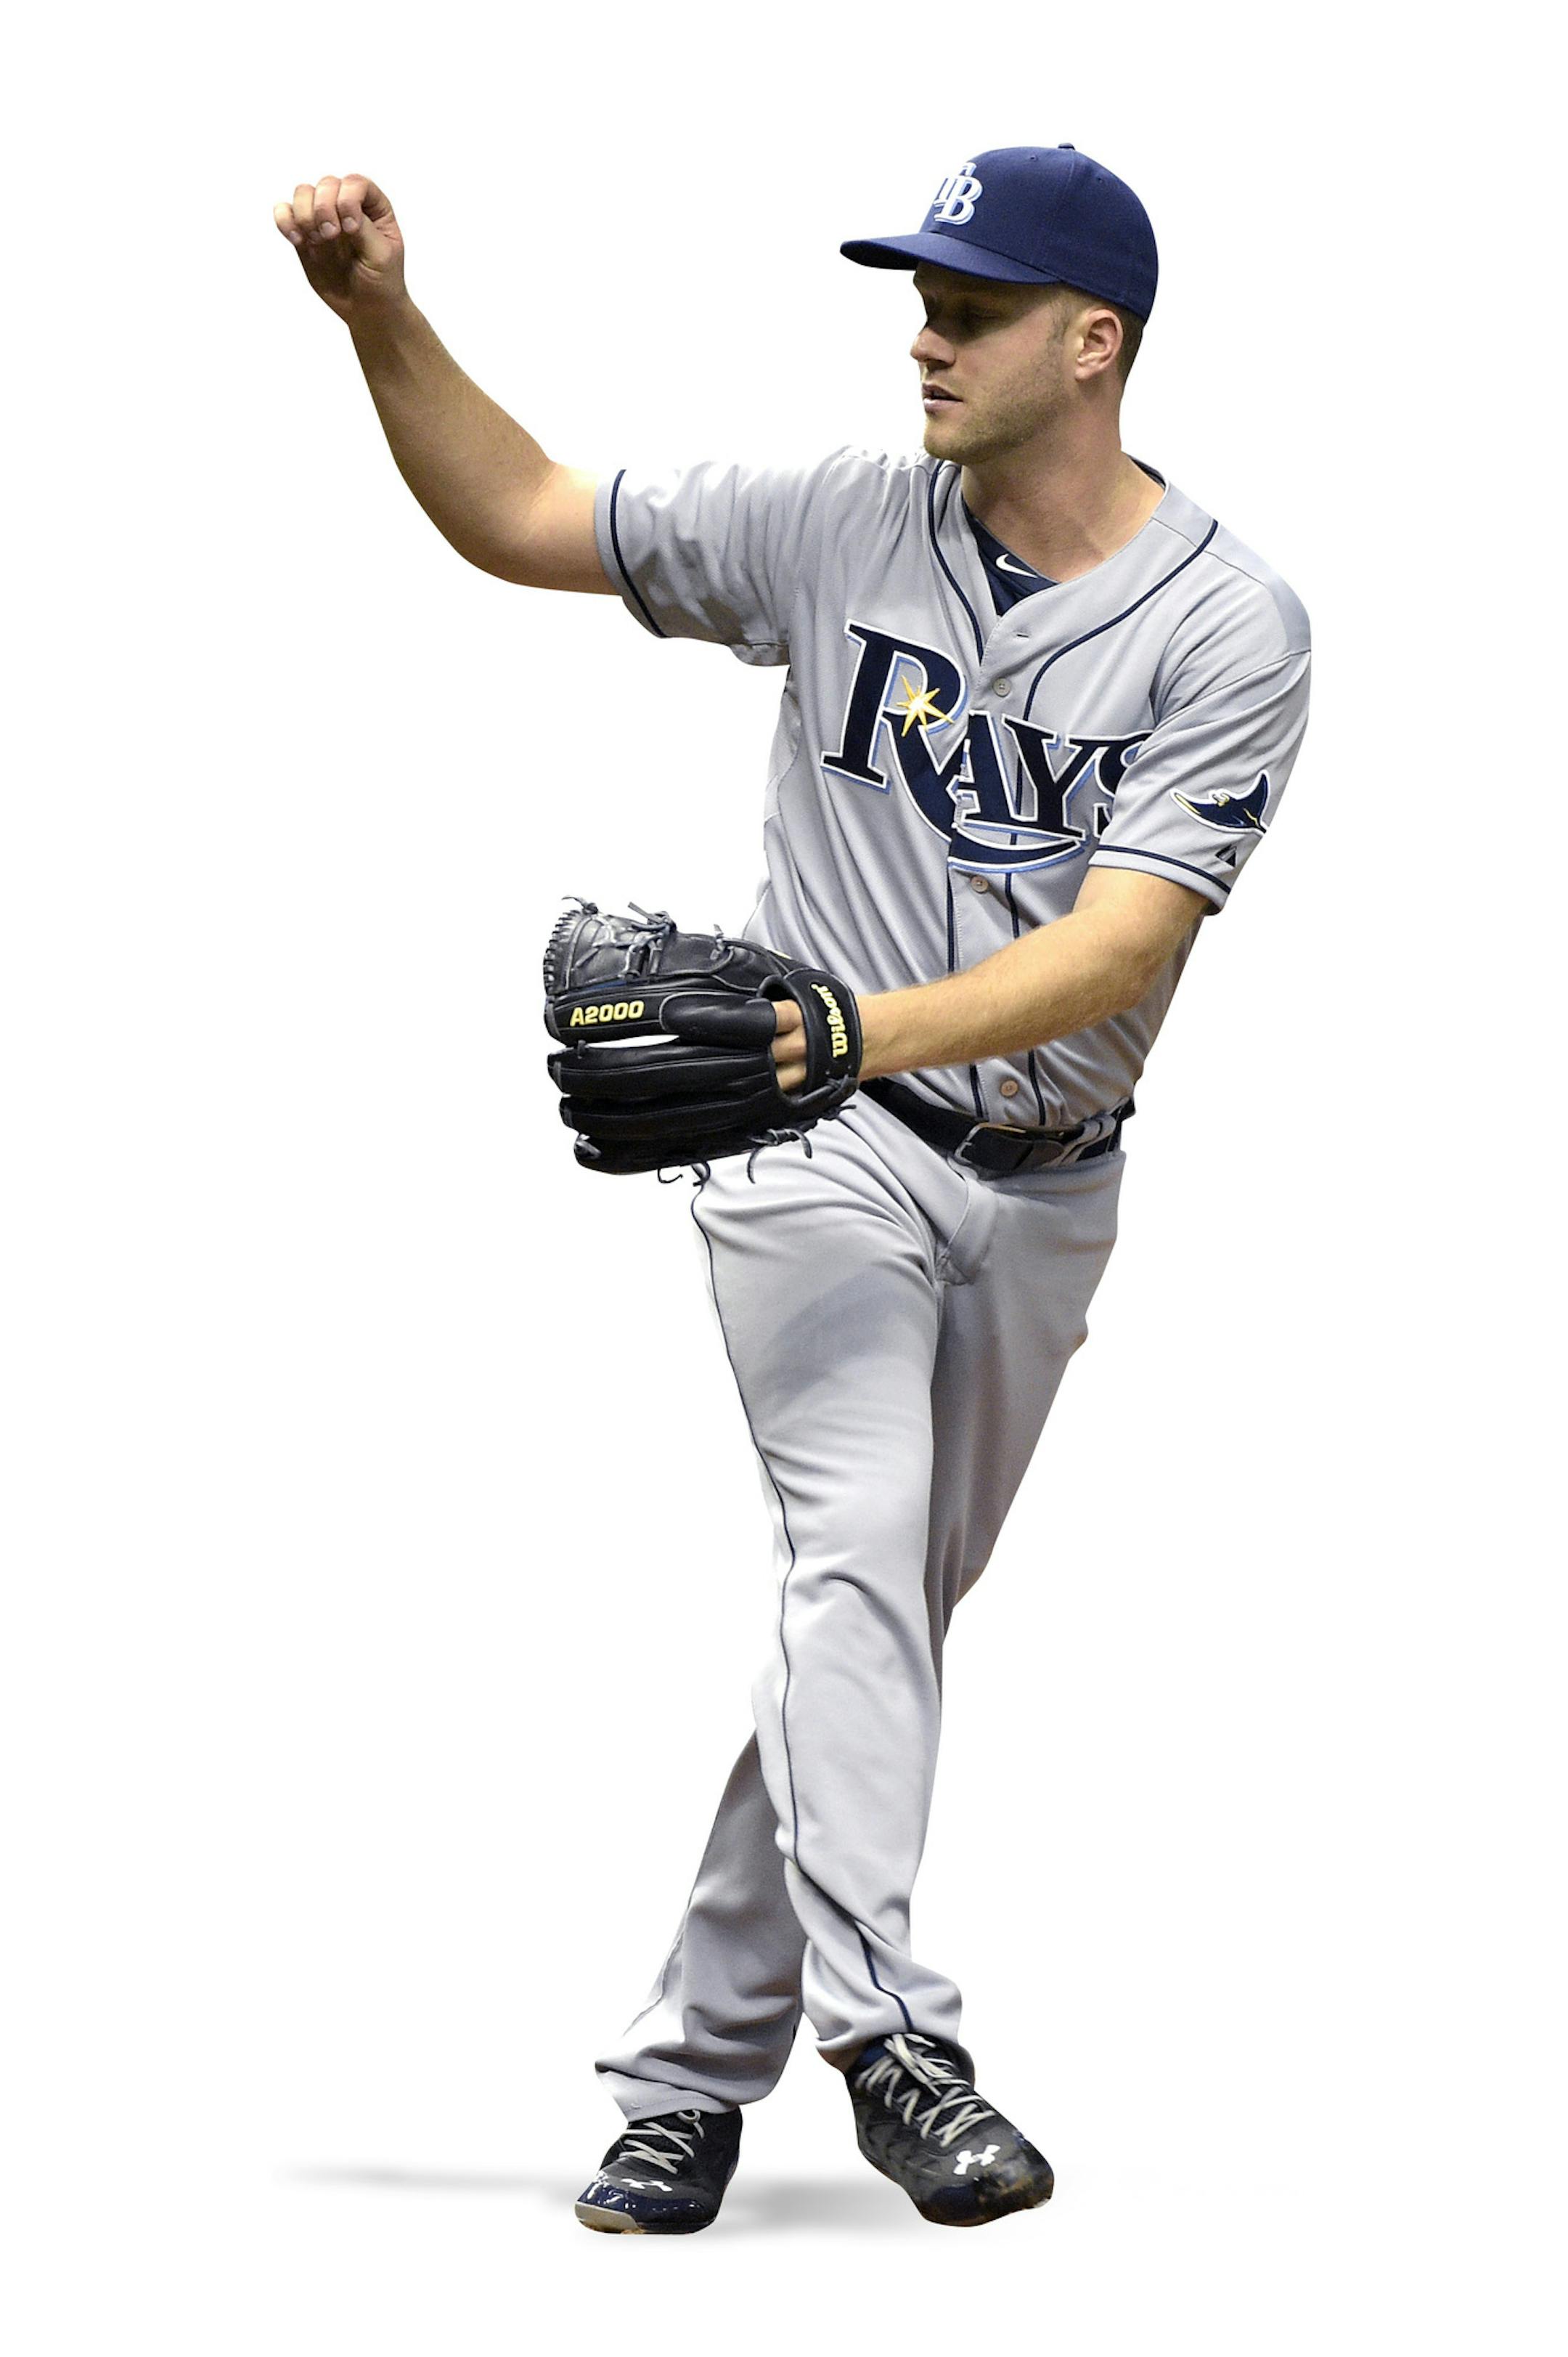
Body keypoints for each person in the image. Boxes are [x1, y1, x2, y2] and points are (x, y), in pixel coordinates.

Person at [274, 143, 1311, 2235]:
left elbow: (1122, 950)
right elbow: (524, 512)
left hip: (1043, 1181)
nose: (926, 336)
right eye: (921, 299)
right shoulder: (842, 519)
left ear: (1093, 342)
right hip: (813, 1151)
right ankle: (895, 2041)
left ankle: (681, 2078)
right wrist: (379, 318)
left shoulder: (1231, 626)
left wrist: (854, 1024)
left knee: (876, 1627)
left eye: (974, 308)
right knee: (855, 1554)